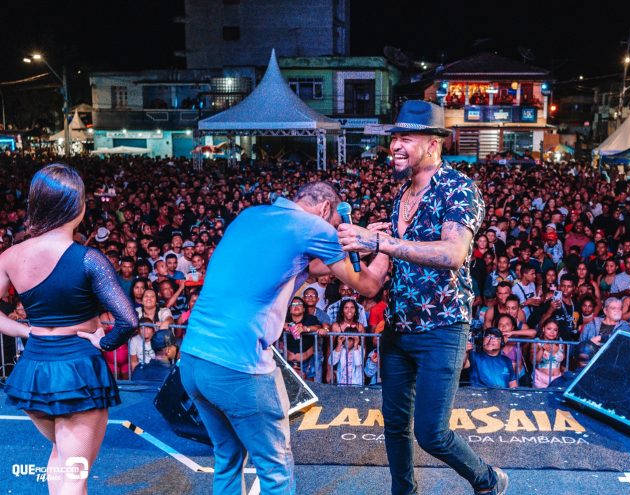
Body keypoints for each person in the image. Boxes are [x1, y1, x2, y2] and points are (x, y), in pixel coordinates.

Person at [337, 101, 507, 495]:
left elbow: (453, 254)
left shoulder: (458, 188)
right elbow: (371, 284)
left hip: (442, 328)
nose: (394, 145)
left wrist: (380, 240)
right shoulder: (401, 196)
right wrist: (340, 251)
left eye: (405, 138)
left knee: (431, 433)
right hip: (397, 328)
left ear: (433, 144)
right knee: (395, 426)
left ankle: (487, 479)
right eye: (394, 138)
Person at [179, 181, 388, 495]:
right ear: (327, 209)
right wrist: (383, 246)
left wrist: (353, 243)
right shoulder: (314, 227)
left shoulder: (251, 214)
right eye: (333, 225)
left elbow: (315, 265)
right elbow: (369, 287)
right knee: (276, 470)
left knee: (228, 455)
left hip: (193, 360)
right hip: (239, 366)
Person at [0, 164, 138, 494]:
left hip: (33, 369)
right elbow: (129, 321)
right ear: (77, 205)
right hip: (77, 371)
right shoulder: (90, 259)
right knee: (75, 475)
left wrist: (24, 331)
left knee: (60, 456)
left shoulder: (10, 257)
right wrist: (104, 342)